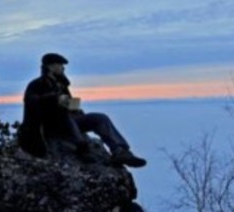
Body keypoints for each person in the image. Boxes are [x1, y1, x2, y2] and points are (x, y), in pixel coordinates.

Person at [18, 52, 146, 168]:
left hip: (69, 122)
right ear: (50, 67)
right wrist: (54, 99)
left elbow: (71, 107)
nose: (63, 67)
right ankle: (82, 147)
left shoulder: (61, 85)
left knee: (99, 118)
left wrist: (75, 108)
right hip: (50, 127)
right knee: (63, 114)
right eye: (60, 64)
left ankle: (120, 151)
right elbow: (31, 102)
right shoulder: (36, 84)